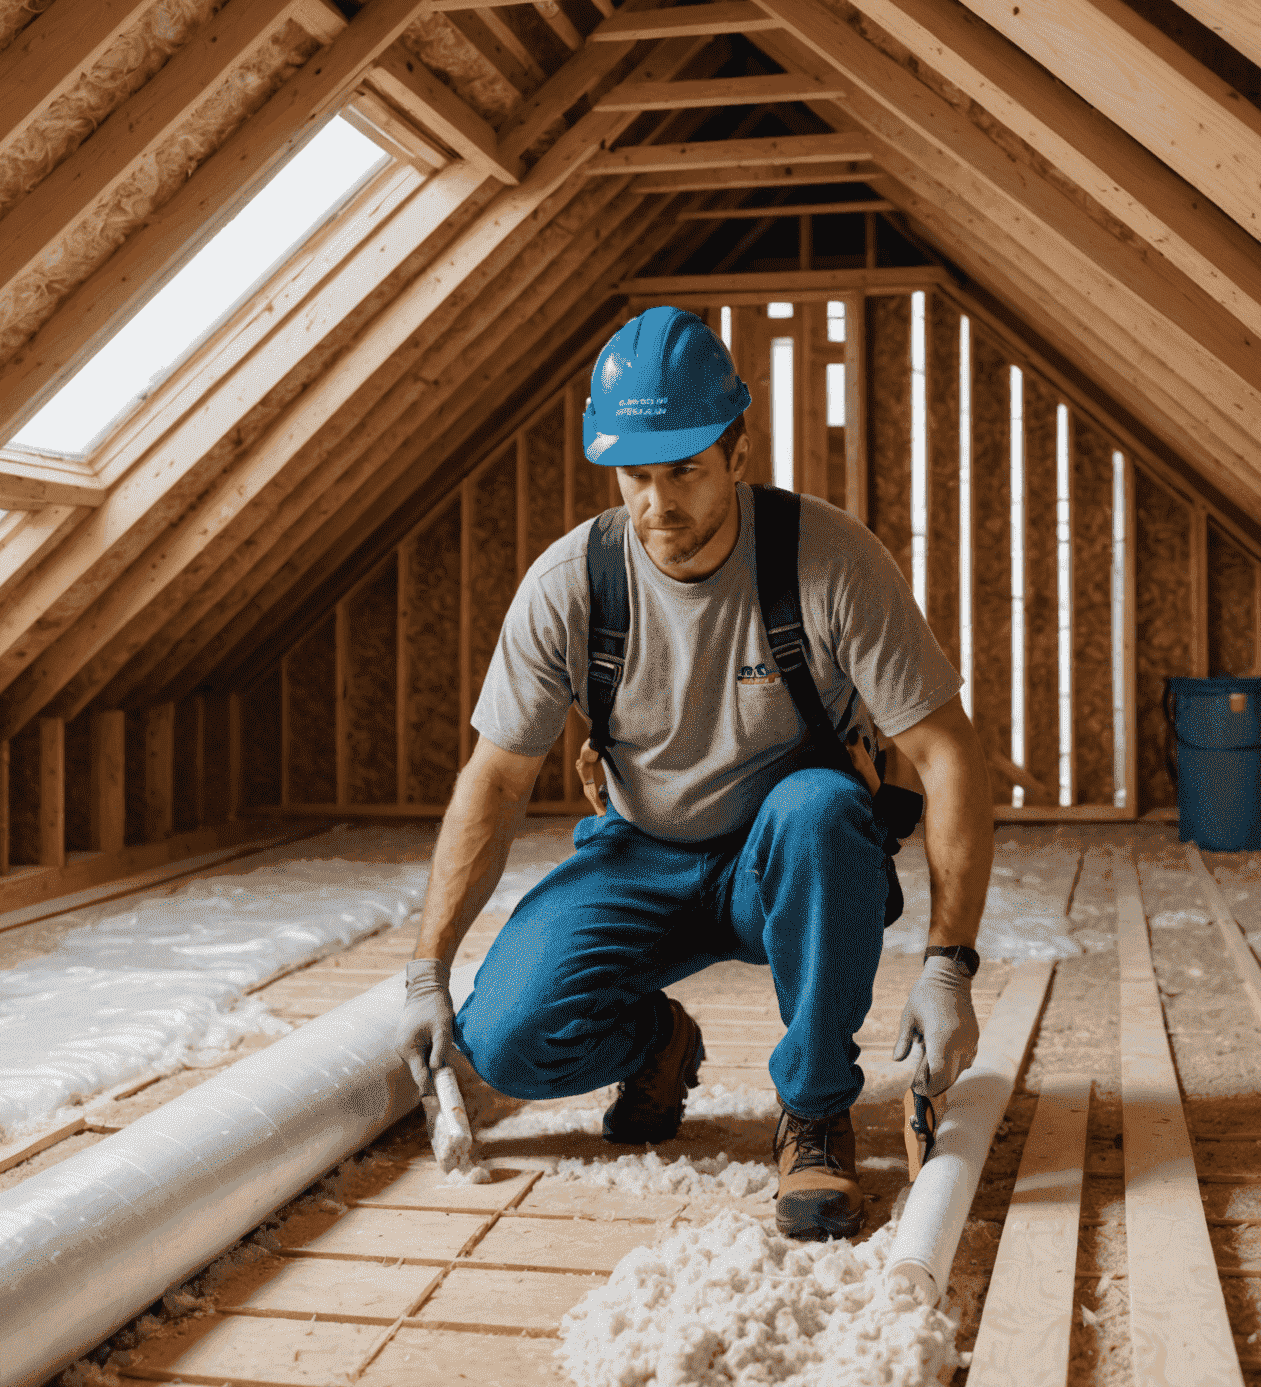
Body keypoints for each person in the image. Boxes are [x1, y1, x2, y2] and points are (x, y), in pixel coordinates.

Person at [396, 306, 994, 1240]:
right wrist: (427, 971)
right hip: (645, 854)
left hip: (786, 863)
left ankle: (815, 1112)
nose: (659, 504)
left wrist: (950, 968)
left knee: (821, 811)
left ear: (738, 453)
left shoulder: (826, 561)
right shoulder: (573, 585)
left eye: (685, 472)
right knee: (508, 1042)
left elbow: (947, 753)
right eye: (637, 475)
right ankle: (658, 1043)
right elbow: (496, 780)